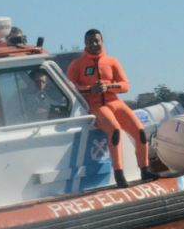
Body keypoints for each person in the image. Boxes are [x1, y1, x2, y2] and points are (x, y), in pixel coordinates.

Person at [66, 29, 156, 188]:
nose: (94, 44)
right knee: (114, 130)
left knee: (140, 131)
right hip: (96, 106)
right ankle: (119, 175)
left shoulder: (112, 61)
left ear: (102, 42)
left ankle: (144, 169)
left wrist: (108, 86)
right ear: (85, 44)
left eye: (97, 41)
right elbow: (70, 87)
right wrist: (89, 89)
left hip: (114, 102)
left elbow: (125, 85)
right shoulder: (77, 65)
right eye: (90, 41)